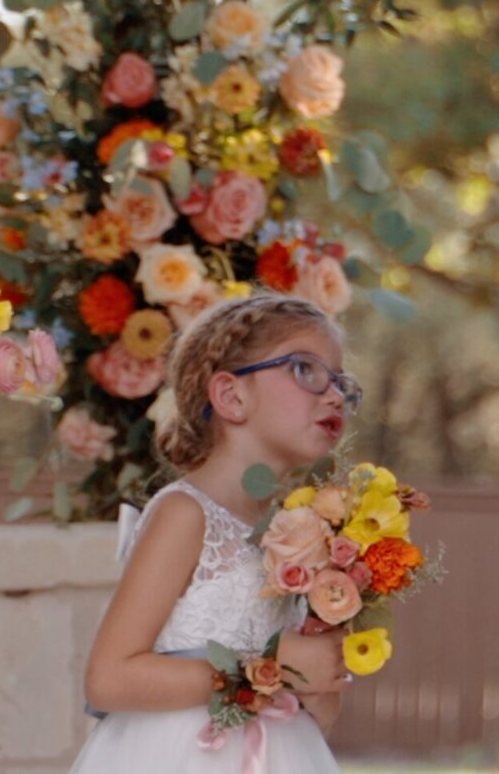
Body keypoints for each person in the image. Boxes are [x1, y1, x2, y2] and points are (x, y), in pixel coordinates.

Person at [72, 296, 358, 773]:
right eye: (306, 370)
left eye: (341, 383)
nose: (333, 395)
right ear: (230, 396)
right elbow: (108, 678)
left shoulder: (306, 534)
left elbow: (318, 714)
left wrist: (320, 671)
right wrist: (267, 667)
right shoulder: (185, 514)